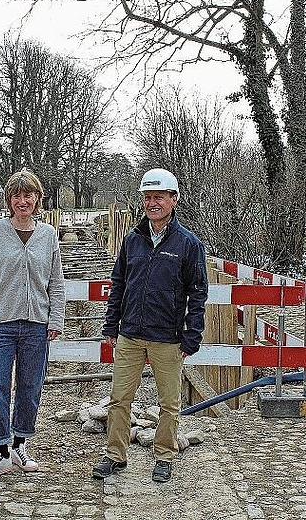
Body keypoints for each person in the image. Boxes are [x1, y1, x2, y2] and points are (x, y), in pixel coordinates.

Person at [92, 168, 208, 483]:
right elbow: (118, 285)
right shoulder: (132, 241)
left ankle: (165, 457)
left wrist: (190, 337)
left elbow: (198, 294)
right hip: (129, 334)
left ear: (173, 199)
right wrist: (111, 326)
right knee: (119, 399)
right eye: (147, 197)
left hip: (167, 338)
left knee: (169, 403)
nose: (152, 203)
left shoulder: (188, 245)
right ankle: (115, 455)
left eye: (158, 197)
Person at [0, 168, 65, 481]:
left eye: (28, 195)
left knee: (30, 387)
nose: (22, 201)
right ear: (9, 200)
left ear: (38, 198)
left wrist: (57, 317)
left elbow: (56, 281)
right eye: (16, 195)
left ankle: (21, 444)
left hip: (37, 325)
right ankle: (0, 453)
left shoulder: (48, 234)